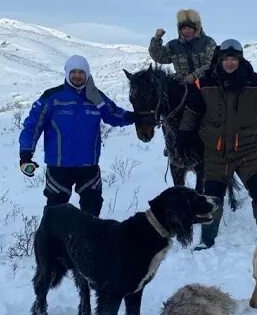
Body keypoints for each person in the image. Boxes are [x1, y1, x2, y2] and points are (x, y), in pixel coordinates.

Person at [176, 39, 257, 249]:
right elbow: (192, 113)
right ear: (219, 60)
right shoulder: (204, 83)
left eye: (234, 59)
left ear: (240, 60)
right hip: (216, 156)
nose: (230, 63)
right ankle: (207, 242)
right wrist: (183, 136)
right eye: (226, 59)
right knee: (211, 200)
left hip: (249, 154)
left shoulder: (256, 82)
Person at [18, 54, 155, 216]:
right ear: (67, 73)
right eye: (73, 72)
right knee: (55, 216)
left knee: (92, 215)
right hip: (59, 168)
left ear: (87, 74)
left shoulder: (95, 96)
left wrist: (135, 117)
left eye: (81, 72)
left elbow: (112, 114)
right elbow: (32, 126)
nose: (77, 76)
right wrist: (26, 154)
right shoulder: (52, 97)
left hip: (89, 167)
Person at [149, 9, 218, 85]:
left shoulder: (208, 42)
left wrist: (194, 76)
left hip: (206, 84)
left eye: (189, 28)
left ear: (196, 29)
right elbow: (159, 57)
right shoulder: (173, 45)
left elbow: (212, 64)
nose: (186, 31)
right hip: (181, 85)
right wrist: (157, 39)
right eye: (184, 28)